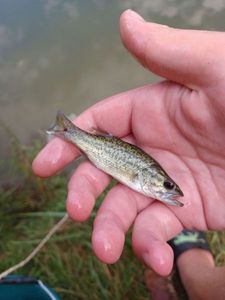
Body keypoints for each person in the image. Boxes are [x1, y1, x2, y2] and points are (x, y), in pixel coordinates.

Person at [32, 10, 225, 299]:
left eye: (167, 186)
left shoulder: (147, 177)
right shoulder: (145, 175)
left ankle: (191, 269)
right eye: (166, 185)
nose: (168, 190)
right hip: (100, 149)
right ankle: (194, 270)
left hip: (102, 150)